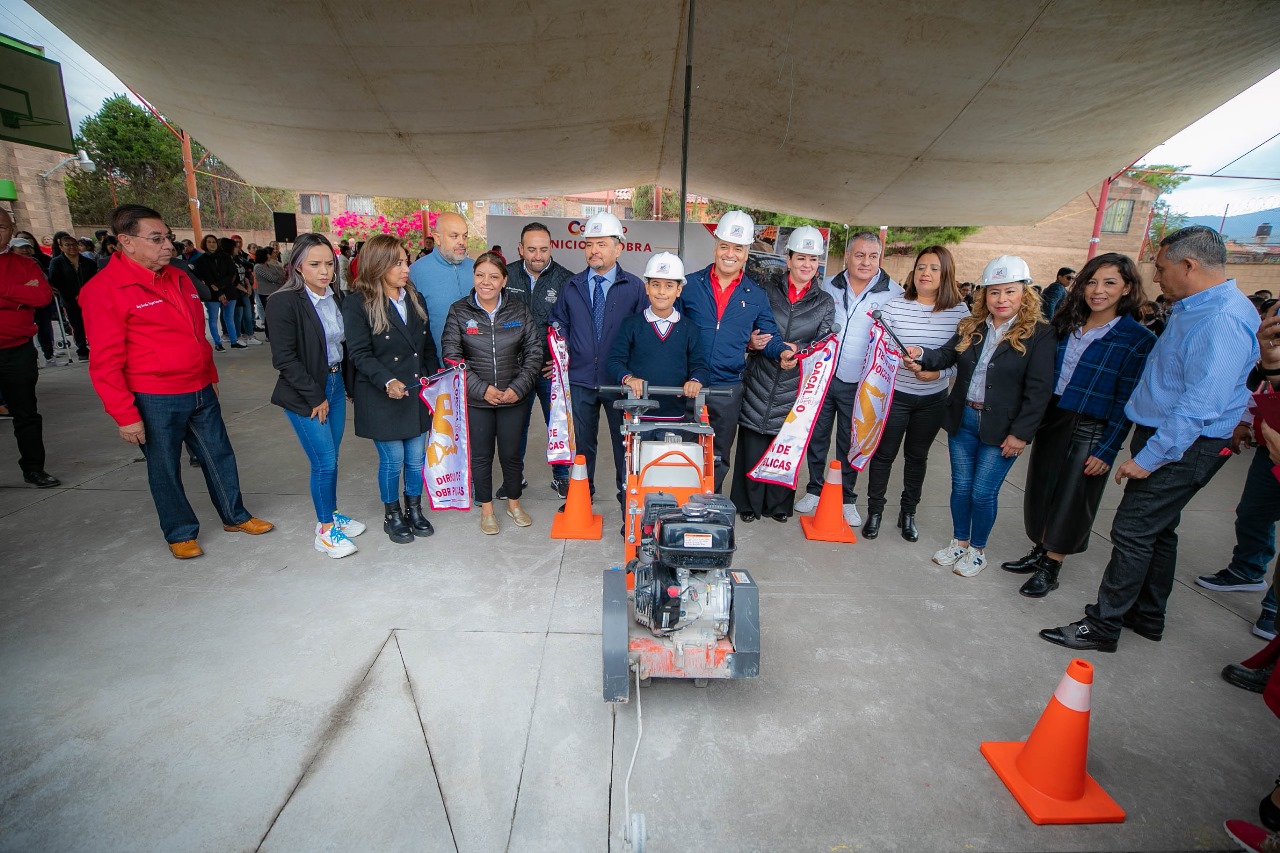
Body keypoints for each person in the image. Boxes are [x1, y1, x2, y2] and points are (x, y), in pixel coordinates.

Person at [1039, 226, 1260, 652]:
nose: (1156, 278)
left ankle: (1103, 625)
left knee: (1133, 531)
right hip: (1167, 435)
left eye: (1160, 268)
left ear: (1189, 265)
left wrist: (1151, 456)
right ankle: (1148, 614)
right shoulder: (1199, 307)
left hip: (1181, 444)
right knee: (1159, 531)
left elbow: (1201, 403)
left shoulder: (1222, 319)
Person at [79, 204, 272, 558]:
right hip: (154, 397)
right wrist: (124, 414)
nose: (168, 245)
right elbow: (104, 362)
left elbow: (197, 333)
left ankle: (234, 515)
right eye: (156, 239)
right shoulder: (104, 289)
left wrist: (210, 375)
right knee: (165, 468)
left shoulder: (179, 276)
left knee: (220, 456)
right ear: (126, 241)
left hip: (199, 388)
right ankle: (180, 532)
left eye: (167, 236)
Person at [1001, 253, 1155, 597]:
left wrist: (1107, 448)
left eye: (1110, 283)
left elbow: (1126, 401)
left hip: (1091, 426)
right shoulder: (1065, 323)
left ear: (1127, 288)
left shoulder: (1137, 339)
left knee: (1073, 498)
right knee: (1042, 491)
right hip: (1053, 417)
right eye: (1092, 281)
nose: (1098, 290)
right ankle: (1040, 551)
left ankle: (1052, 566)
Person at [905, 254, 1055, 577]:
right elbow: (946, 354)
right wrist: (921, 354)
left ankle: (977, 550)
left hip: (1004, 429)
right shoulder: (971, 326)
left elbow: (1039, 391)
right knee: (961, 487)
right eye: (994, 292)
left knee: (982, 492)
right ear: (985, 294)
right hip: (964, 420)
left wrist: (1021, 433)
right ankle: (958, 543)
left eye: (1010, 291)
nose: (1001, 299)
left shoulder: (1040, 334)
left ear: (1024, 293)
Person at [266, 232, 365, 559]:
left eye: (329, 264)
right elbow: (284, 359)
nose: (324, 271)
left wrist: (347, 387)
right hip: (306, 393)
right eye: (315, 264)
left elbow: (342, 348)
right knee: (323, 461)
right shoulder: (282, 302)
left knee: (331, 459)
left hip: (335, 386)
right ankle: (324, 531)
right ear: (297, 266)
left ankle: (332, 513)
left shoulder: (334, 297)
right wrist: (314, 396)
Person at [863, 245, 970, 541]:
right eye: (922, 266)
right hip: (895, 395)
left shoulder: (961, 312)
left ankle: (908, 513)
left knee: (917, 458)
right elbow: (880, 352)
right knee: (884, 456)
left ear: (946, 273)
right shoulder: (896, 306)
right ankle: (875, 511)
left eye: (935, 268)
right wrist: (900, 364)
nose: (926, 273)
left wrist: (938, 373)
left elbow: (962, 359)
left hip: (932, 400)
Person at [795, 231, 902, 525]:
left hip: (862, 382)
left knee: (850, 440)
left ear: (880, 257)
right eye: (859, 255)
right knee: (816, 436)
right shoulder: (827, 285)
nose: (866, 262)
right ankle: (815, 489)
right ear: (846, 256)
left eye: (872, 256)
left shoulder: (894, 293)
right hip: (824, 376)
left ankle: (846, 497)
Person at [679, 209, 790, 492]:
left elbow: (770, 336)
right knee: (681, 450)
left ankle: (709, 504)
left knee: (717, 455)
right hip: (687, 383)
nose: (730, 254)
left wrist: (781, 353)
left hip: (727, 389)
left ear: (746, 251)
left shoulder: (755, 294)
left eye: (738, 248)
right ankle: (678, 503)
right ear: (716, 246)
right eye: (725, 246)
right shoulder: (689, 285)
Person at [730, 228, 833, 523]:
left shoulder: (823, 302)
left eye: (813, 259)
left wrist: (797, 349)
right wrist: (751, 342)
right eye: (800, 257)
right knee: (752, 440)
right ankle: (747, 502)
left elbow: (824, 340)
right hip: (760, 375)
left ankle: (778, 505)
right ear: (787, 259)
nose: (806, 265)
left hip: (796, 381)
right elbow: (747, 325)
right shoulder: (764, 288)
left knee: (784, 443)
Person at [342, 233, 439, 544]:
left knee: (415, 458)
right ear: (378, 265)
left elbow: (426, 347)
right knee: (393, 458)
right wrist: (387, 380)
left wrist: (431, 378)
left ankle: (414, 508)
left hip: (413, 391)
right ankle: (392, 513)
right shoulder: (358, 303)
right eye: (397, 262)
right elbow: (358, 353)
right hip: (380, 392)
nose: (406, 268)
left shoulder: (415, 298)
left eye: (405, 260)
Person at [547, 211, 647, 507]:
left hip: (619, 382)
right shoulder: (572, 285)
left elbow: (643, 332)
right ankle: (581, 496)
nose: (594, 250)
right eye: (590, 244)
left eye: (602, 244)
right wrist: (561, 337)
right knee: (582, 446)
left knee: (624, 445)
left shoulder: (634, 287)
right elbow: (557, 320)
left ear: (618, 248)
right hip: (579, 380)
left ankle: (626, 498)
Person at [1195, 299, 1280, 640]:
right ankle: (1247, 569)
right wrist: (1247, 420)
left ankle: (1274, 608)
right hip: (1272, 446)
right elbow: (1263, 384)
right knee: (1253, 513)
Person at [441, 251, 540, 534]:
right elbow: (450, 355)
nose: (486, 282)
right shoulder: (459, 311)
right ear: (474, 278)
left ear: (504, 280)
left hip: (512, 398)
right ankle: (486, 508)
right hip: (476, 400)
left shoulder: (518, 310)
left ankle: (513, 503)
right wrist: (480, 389)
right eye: (480, 275)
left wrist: (517, 388)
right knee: (481, 456)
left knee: (511, 454)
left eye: (494, 276)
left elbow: (534, 352)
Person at [506, 222, 574, 497]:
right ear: (521, 249)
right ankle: (515, 477)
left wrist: (562, 358)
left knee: (556, 424)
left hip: (549, 370)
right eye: (531, 249)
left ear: (551, 248)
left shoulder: (567, 280)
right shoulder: (506, 276)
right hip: (515, 368)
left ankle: (561, 477)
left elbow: (575, 325)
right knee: (514, 428)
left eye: (543, 249)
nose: (537, 255)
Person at [0, 208, 60, 488]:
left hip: (17, 350)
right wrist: (17, 296)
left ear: (11, 232)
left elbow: (41, 296)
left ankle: (34, 468)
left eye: (1, 227)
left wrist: (5, 293)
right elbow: (28, 295)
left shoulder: (25, 264)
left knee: (26, 413)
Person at [608, 251, 708, 415]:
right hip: (636, 415)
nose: (661, 291)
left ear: (679, 290)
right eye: (655, 284)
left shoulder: (690, 329)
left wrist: (695, 381)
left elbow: (701, 366)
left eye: (669, 285)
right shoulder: (631, 325)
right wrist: (628, 378)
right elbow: (614, 362)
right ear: (646, 287)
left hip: (675, 414)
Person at [409, 211, 473, 353]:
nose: (462, 241)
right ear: (437, 238)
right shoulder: (415, 272)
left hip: (479, 364)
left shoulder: (477, 269)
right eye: (454, 236)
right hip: (436, 365)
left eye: (465, 236)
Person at [47, 232, 96, 360]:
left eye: (74, 244)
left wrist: (86, 293)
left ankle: (96, 346)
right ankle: (82, 350)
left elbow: (95, 280)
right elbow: (56, 281)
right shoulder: (57, 262)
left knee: (93, 324)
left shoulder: (88, 262)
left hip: (89, 298)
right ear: (61, 247)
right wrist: (72, 295)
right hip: (69, 300)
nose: (71, 247)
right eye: (67, 245)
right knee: (77, 325)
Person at [9, 236, 55, 367]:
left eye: (27, 247)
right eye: (21, 248)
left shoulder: (33, 262)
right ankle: (32, 360)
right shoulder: (10, 265)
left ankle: (49, 356)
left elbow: (42, 286)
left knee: (44, 329)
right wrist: (24, 290)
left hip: (39, 305)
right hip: (21, 309)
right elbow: (12, 290)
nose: (25, 250)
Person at [193, 235, 245, 351]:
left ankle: (234, 341)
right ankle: (218, 343)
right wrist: (216, 289)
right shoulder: (201, 260)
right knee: (213, 318)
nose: (212, 244)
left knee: (229, 317)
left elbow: (231, 274)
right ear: (205, 244)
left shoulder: (226, 257)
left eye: (214, 242)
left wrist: (219, 286)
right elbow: (205, 278)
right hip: (212, 294)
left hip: (228, 291)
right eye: (209, 242)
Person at [230, 235, 260, 345]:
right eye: (235, 244)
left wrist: (248, 286)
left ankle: (250, 335)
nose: (238, 246)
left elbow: (246, 274)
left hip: (245, 290)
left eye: (239, 242)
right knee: (238, 316)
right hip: (236, 291)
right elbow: (232, 279)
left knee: (248, 314)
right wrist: (243, 288)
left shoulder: (241, 259)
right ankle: (237, 337)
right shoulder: (229, 261)